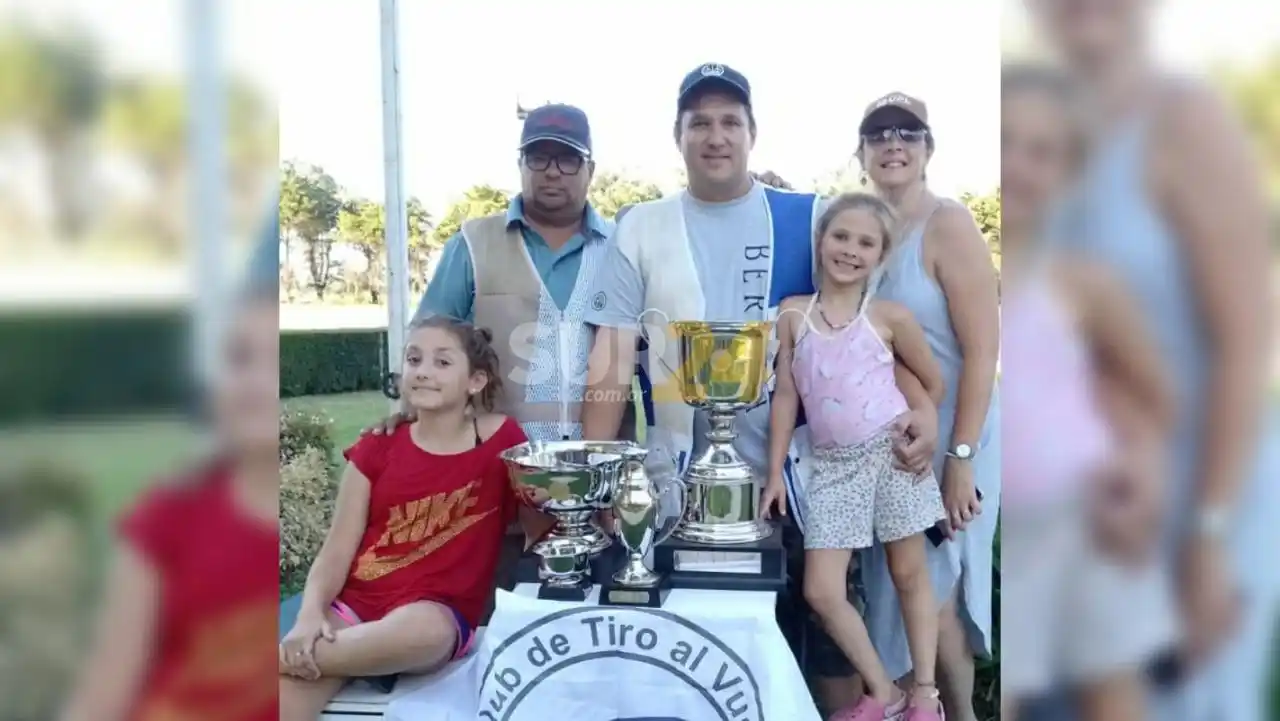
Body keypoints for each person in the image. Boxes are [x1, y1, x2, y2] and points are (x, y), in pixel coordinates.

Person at [579, 62, 941, 716]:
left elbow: (872, 337)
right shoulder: (638, 225)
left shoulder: (808, 217)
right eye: (700, 123)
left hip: (809, 474)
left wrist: (926, 414)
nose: (715, 136)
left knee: (825, 632)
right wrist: (596, 480)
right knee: (689, 645)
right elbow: (608, 361)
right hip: (677, 484)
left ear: (752, 132)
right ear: (677, 134)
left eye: (729, 122)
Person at [1026, 2, 1279, 720]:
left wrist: (1210, 537)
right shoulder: (1040, 127)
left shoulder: (1187, 122)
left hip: (1199, 495)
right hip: (1090, 503)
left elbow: (1247, 339)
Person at [999, 62, 1179, 721]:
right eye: (1005, 140)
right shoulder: (964, 275)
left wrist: (1145, 467)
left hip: (1088, 523)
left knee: (1112, 692)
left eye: (1042, 152)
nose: (1017, 163)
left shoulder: (1082, 281)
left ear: (1069, 176)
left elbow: (1152, 390)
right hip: (1011, 537)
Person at [277, 317, 552, 721]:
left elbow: (539, 525)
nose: (422, 371)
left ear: (475, 382)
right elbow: (337, 549)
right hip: (354, 605)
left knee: (424, 634)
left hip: (434, 612)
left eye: (442, 363)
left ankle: (274, 659)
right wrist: (309, 616)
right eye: (413, 359)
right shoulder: (377, 446)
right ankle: (301, 656)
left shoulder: (501, 439)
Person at [762, 192, 948, 721]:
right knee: (822, 589)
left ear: (881, 255)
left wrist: (925, 420)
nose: (850, 249)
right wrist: (774, 471)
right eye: (841, 236)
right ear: (820, 241)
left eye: (866, 242)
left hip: (891, 455)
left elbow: (931, 382)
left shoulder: (889, 316)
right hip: (833, 467)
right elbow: (787, 395)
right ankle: (884, 692)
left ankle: (926, 698)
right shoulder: (793, 314)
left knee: (909, 572)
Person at [59, 281, 280, 721]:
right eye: (239, 359)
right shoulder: (167, 519)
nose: (256, 382)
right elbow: (104, 692)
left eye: (277, 361)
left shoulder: (317, 520)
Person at [850, 92, 1001, 721]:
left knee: (941, 588)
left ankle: (960, 712)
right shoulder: (860, 229)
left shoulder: (950, 224)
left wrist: (961, 458)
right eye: (878, 133)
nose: (893, 143)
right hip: (891, 440)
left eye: (908, 134)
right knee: (900, 584)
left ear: (927, 149)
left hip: (955, 435)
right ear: (860, 152)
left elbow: (983, 349)